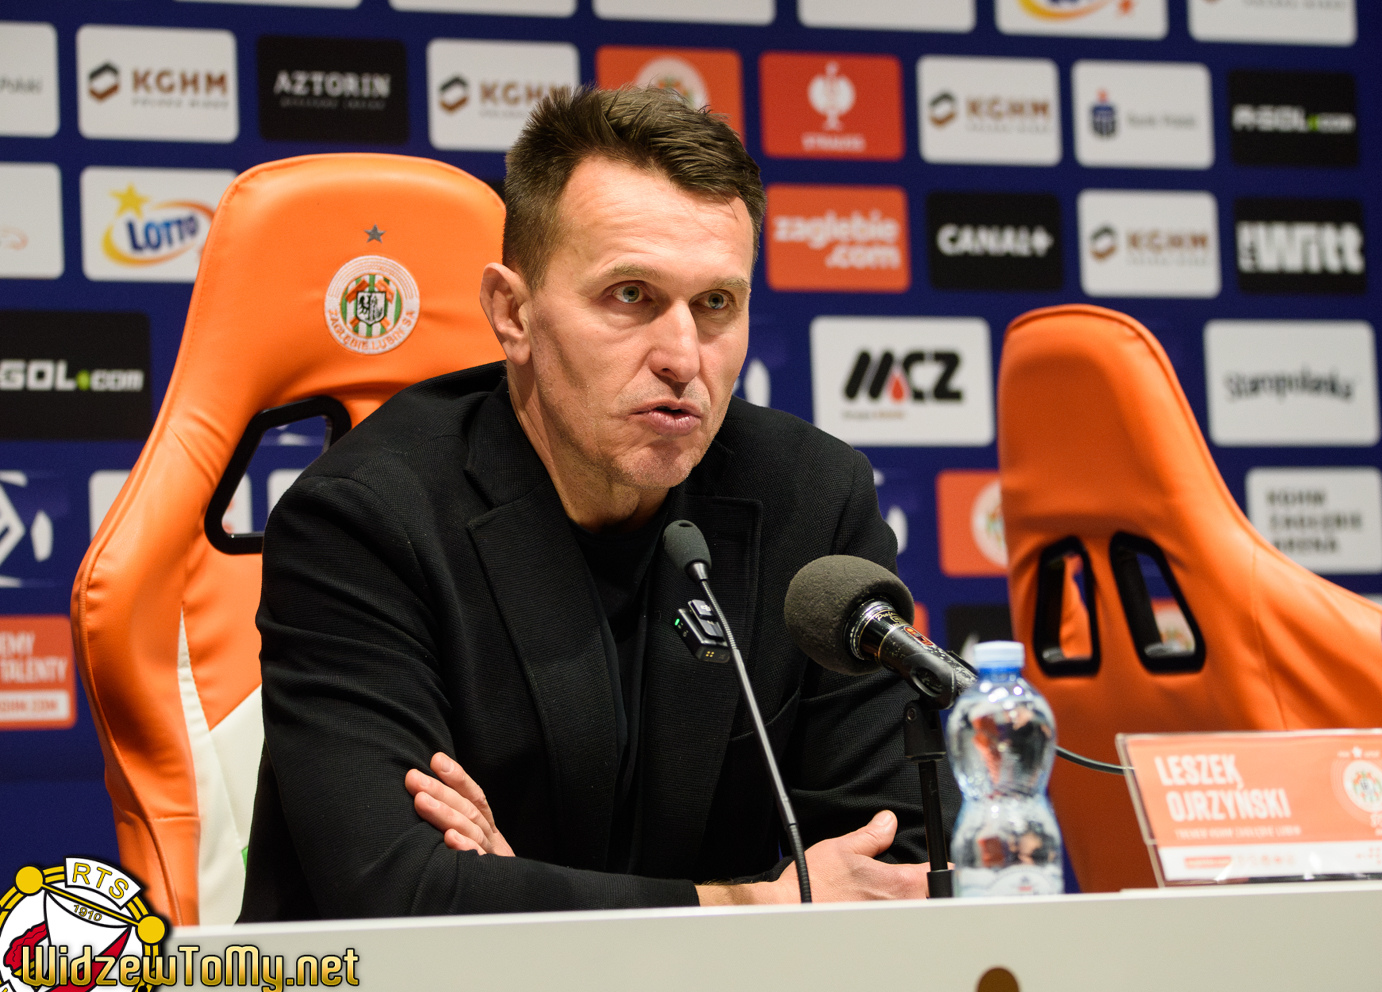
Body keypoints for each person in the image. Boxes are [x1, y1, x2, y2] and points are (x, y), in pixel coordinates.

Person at [240, 86, 955, 920]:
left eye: (716, 303)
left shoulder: (813, 500)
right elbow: (407, 897)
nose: (682, 356)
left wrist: (523, 893)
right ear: (512, 313)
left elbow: (896, 867)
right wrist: (748, 901)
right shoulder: (364, 522)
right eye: (630, 296)